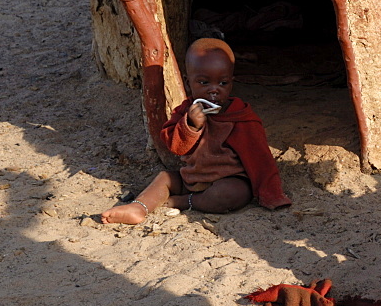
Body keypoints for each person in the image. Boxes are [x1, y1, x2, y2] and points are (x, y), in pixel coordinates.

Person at [101, 38, 290, 224]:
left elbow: (260, 158)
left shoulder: (240, 116)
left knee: (234, 193)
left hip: (227, 180)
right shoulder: (185, 111)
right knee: (165, 178)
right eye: (204, 83)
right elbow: (174, 146)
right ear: (187, 81)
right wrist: (190, 126)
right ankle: (138, 207)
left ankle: (184, 202)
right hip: (190, 178)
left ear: (231, 82)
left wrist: (272, 193)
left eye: (222, 83)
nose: (214, 90)